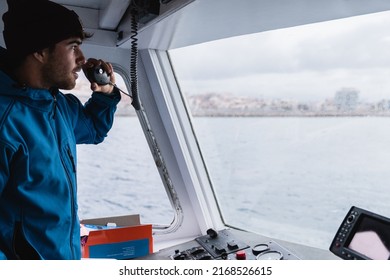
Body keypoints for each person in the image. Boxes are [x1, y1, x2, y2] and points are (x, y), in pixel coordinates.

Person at [0, 0, 121, 259]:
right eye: (73, 46)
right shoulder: (5, 120)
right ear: (40, 51)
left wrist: (106, 92)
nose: (82, 59)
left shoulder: (58, 105)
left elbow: (93, 129)